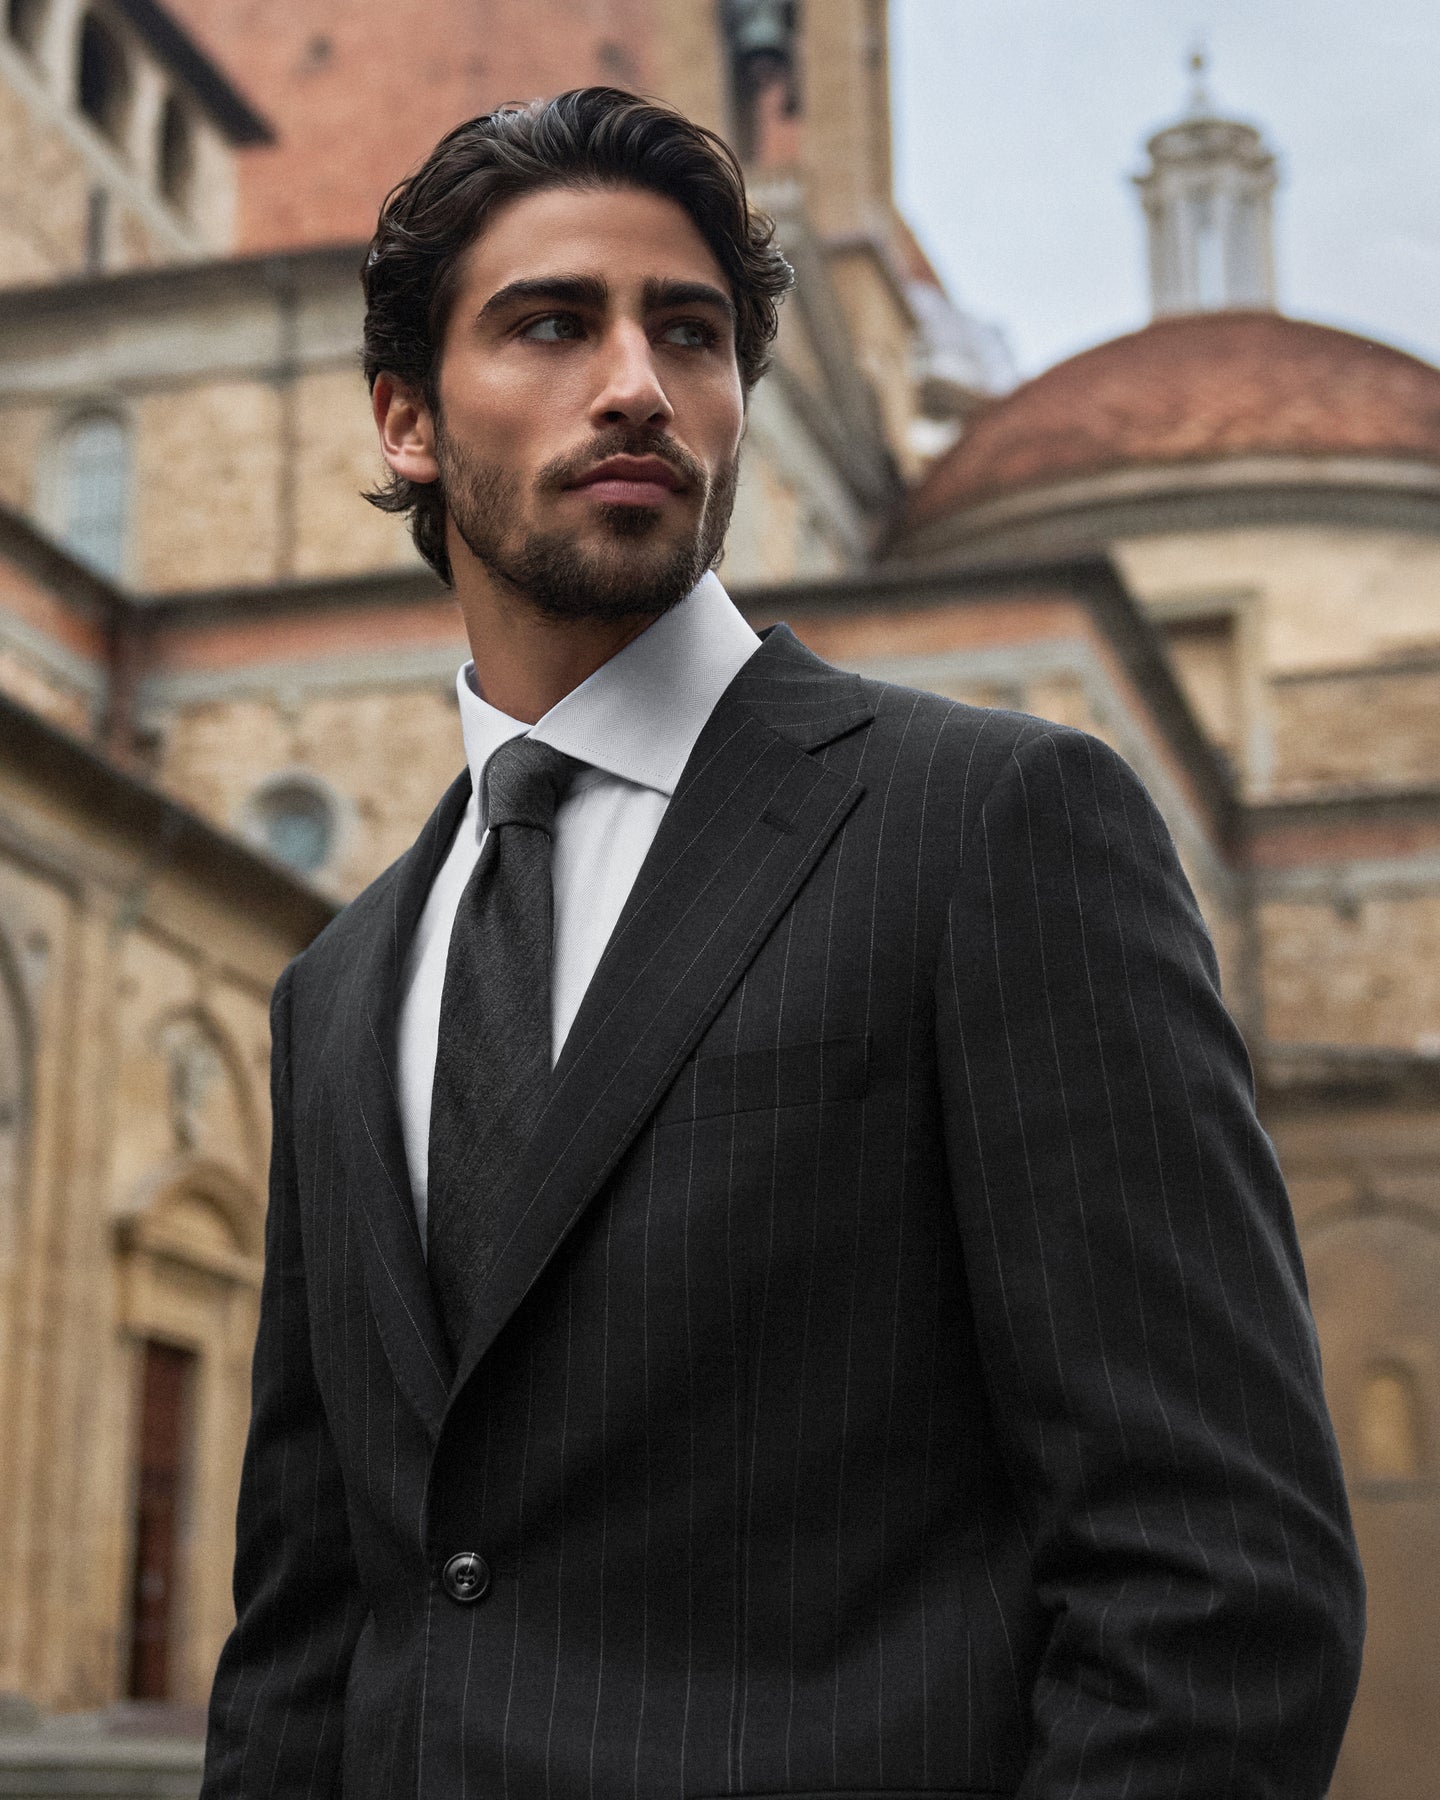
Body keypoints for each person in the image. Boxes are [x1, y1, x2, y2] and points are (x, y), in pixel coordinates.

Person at [202, 86, 1363, 1800]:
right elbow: (310, 1625)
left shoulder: (992, 827)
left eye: (690, 334)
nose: (637, 386)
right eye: (550, 324)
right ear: (407, 424)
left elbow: (1220, 1585)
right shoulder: (343, 983)